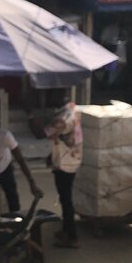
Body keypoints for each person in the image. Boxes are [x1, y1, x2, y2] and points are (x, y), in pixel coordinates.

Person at [46, 101, 83, 248]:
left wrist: (29, 114)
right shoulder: (72, 109)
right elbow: (59, 139)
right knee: (64, 198)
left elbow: (42, 132)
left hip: (65, 164)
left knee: (66, 200)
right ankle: (66, 230)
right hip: (70, 159)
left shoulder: (63, 119)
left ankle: (72, 236)